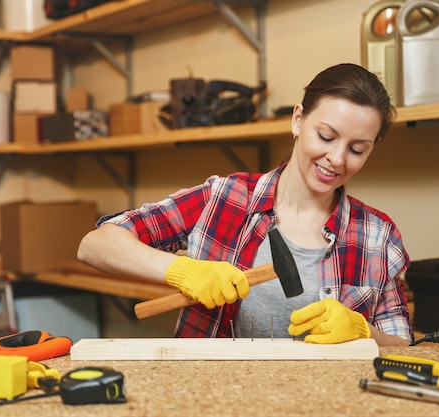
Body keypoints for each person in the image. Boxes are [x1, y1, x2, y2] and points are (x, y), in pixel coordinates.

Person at [77, 63, 413, 346]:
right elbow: (95, 246)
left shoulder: (376, 236)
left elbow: (405, 346)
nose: (337, 158)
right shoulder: (225, 199)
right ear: (298, 120)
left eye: (357, 149)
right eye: (325, 137)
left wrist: (363, 332)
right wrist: (182, 270)